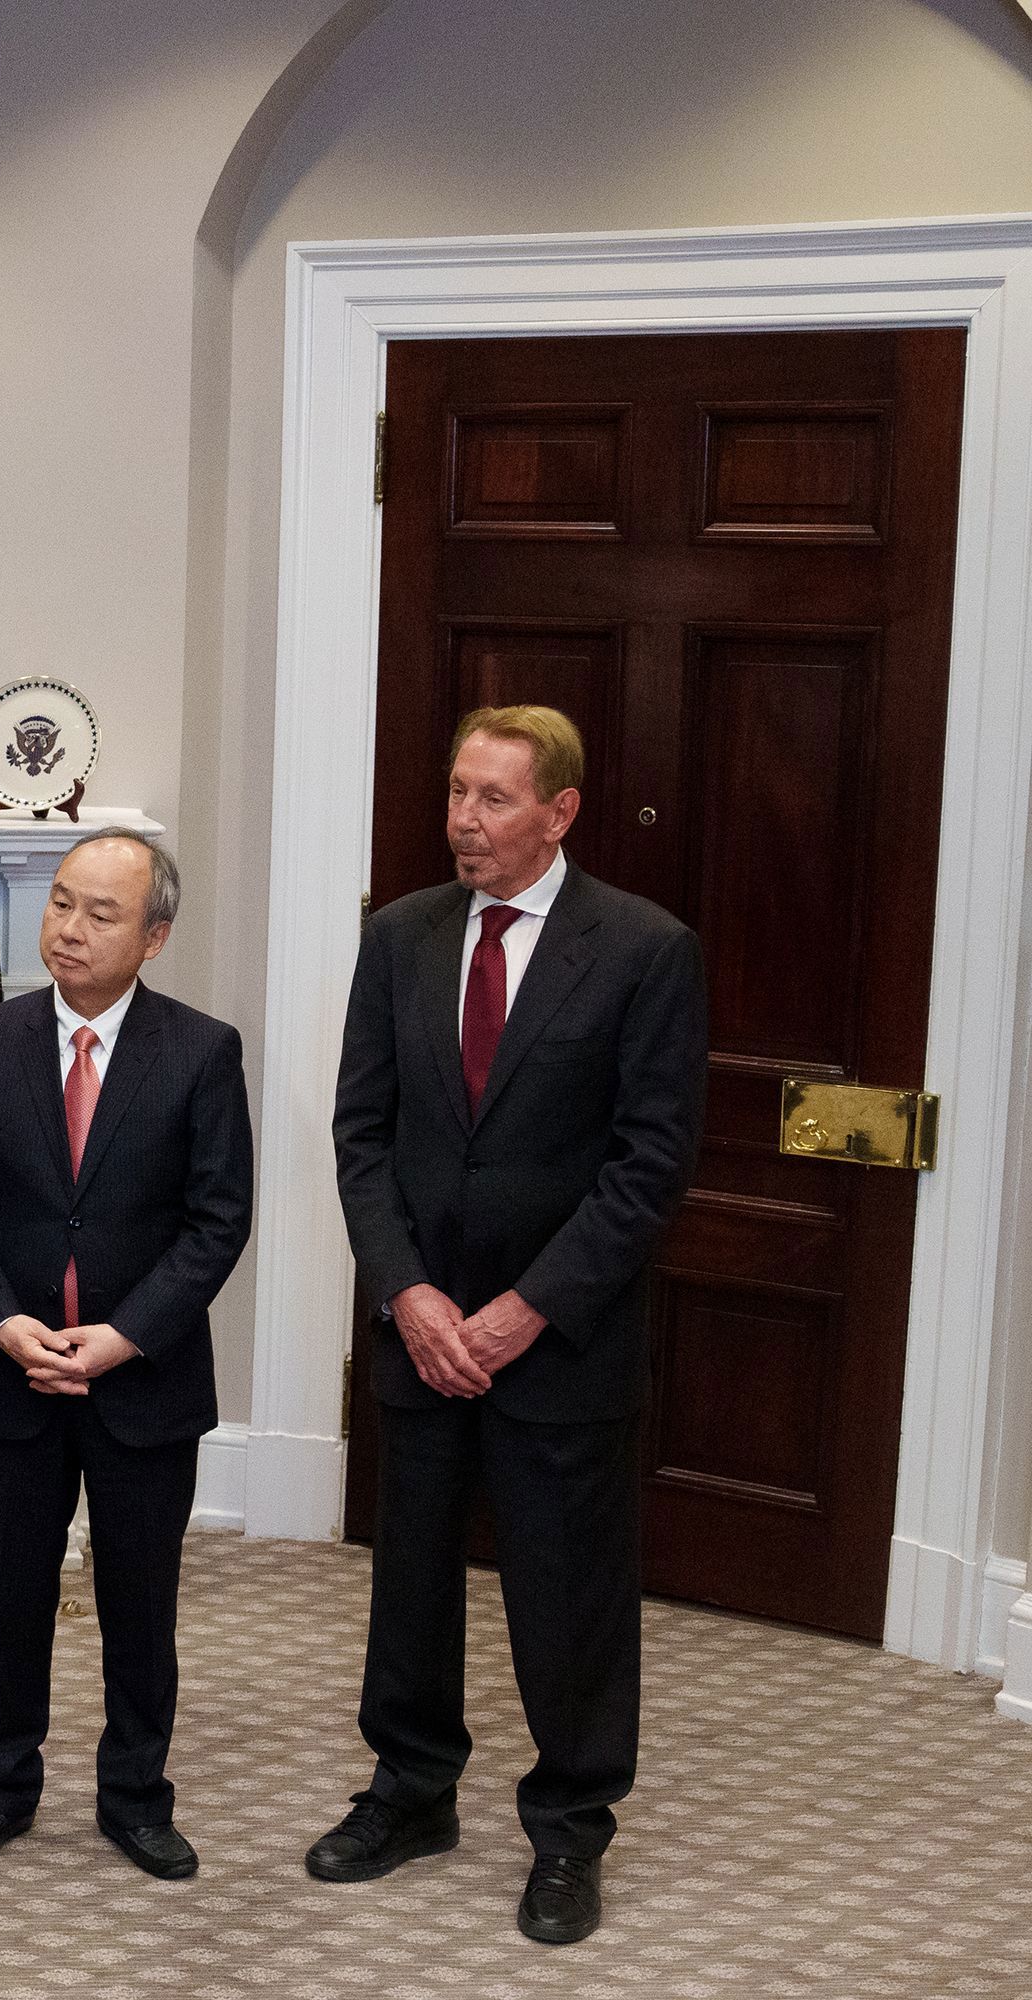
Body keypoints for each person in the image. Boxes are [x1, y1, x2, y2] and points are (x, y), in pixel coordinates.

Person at [310, 705, 706, 1946]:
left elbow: (648, 1165)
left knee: (567, 1593)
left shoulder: (644, 949)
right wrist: (408, 1292)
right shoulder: (401, 936)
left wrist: (527, 1309)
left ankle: (571, 1827)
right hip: (421, 1330)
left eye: (493, 798)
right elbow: (361, 1134)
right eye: (456, 791)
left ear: (559, 810)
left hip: (562, 1342)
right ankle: (411, 1790)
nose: (464, 820)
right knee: (411, 1581)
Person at [0, 829, 253, 1880]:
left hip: (144, 1379)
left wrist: (124, 1335)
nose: (68, 926)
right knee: (12, 1595)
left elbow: (217, 1221)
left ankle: (137, 1797)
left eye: (100, 913)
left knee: (139, 1603)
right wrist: (2, 1322)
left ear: (154, 937)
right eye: (61, 901)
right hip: (16, 1371)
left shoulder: (201, 1051)